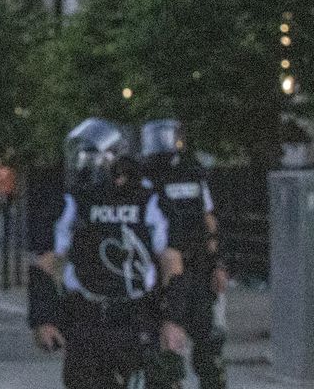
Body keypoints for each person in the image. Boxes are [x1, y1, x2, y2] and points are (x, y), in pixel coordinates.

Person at [30, 119, 193, 389]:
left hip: (138, 317)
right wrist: (42, 318)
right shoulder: (75, 202)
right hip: (86, 319)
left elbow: (171, 262)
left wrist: (173, 319)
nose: (84, 166)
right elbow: (47, 262)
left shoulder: (148, 200)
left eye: (91, 158)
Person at [140, 118, 225, 389]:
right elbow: (209, 220)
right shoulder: (178, 174)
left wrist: (217, 264)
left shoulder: (180, 175)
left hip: (184, 268)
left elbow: (208, 221)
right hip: (177, 268)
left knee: (195, 339)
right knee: (178, 341)